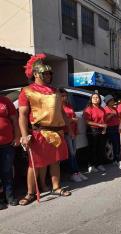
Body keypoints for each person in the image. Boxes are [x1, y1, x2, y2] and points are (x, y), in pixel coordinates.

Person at [18, 54, 71, 206]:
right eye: (45, 73)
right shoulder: (27, 91)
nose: (48, 75)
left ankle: (56, 187)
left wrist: (69, 129)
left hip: (57, 132)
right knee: (34, 164)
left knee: (55, 161)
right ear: (36, 74)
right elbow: (22, 115)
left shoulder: (55, 91)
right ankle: (30, 193)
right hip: (38, 132)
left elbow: (61, 112)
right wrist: (23, 135)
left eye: (50, 73)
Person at [60, 88, 88, 182]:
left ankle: (77, 172)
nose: (64, 98)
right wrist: (71, 120)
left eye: (65, 96)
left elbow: (74, 117)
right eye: (62, 96)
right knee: (71, 153)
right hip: (66, 132)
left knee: (74, 153)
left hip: (73, 131)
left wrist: (76, 129)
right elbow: (62, 120)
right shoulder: (58, 108)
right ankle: (73, 173)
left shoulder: (69, 105)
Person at [0, 95, 20, 207]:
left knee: (7, 171)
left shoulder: (5, 101)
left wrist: (17, 136)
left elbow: (15, 120)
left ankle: (10, 196)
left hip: (7, 143)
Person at [83, 93, 107, 173]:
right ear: (91, 99)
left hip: (101, 131)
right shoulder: (88, 109)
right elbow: (87, 121)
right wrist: (99, 125)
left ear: (100, 99)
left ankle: (99, 164)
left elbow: (104, 121)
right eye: (94, 97)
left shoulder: (102, 109)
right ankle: (91, 165)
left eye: (97, 97)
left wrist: (104, 128)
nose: (96, 99)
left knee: (101, 148)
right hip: (92, 130)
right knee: (92, 149)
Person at [104, 94, 121, 168]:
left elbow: (118, 118)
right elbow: (104, 120)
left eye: (113, 100)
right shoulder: (105, 109)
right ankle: (117, 160)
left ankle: (117, 159)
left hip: (116, 127)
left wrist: (120, 126)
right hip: (110, 128)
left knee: (118, 144)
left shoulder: (115, 109)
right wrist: (111, 115)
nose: (113, 102)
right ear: (107, 102)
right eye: (111, 101)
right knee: (114, 144)